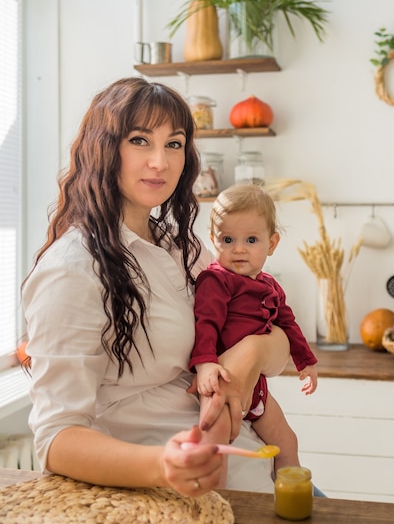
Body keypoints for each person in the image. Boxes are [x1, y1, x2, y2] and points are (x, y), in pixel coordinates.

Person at [21, 77, 292, 498]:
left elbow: (276, 350)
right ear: (104, 148)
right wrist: (163, 465)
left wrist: (251, 353)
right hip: (170, 502)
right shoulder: (72, 268)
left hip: (259, 479)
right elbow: (56, 440)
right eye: (139, 140)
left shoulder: (183, 247)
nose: (160, 162)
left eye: (174, 144)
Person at [190, 183, 318, 484]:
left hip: (257, 389)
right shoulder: (215, 280)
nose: (238, 249)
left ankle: (291, 498)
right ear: (213, 240)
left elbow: (288, 324)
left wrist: (306, 362)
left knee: (288, 441)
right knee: (215, 440)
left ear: (271, 244)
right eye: (227, 239)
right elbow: (205, 323)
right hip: (221, 380)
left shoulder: (270, 285)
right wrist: (205, 363)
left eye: (251, 239)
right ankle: (214, 500)